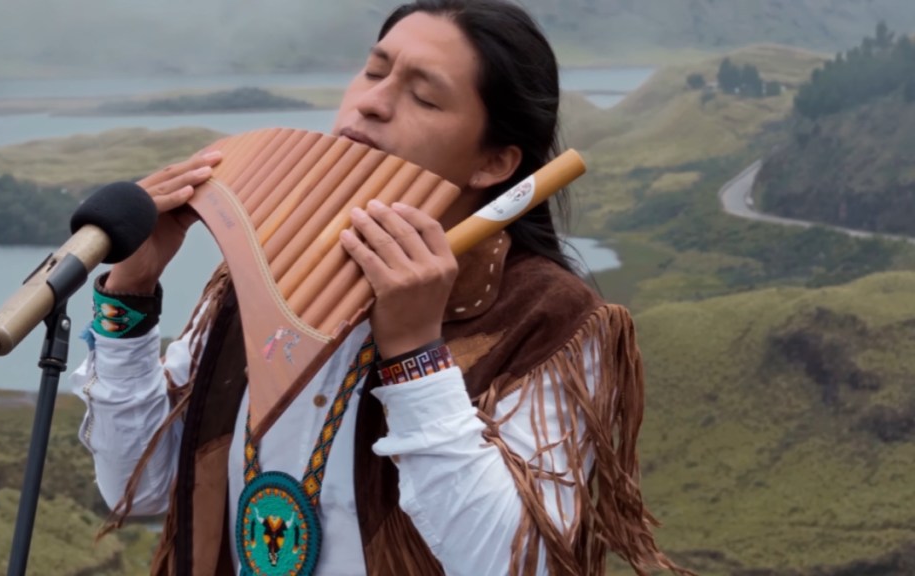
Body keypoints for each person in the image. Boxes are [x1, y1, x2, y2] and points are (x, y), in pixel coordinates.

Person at [72, 1, 691, 574]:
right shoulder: (260, 272)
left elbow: (516, 563)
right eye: (373, 72)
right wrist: (131, 288)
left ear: (493, 164)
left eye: (423, 97)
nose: (371, 104)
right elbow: (141, 484)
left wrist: (417, 355)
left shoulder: (549, 318)